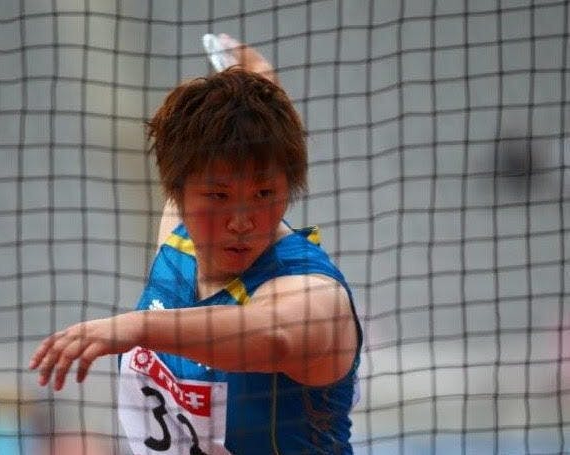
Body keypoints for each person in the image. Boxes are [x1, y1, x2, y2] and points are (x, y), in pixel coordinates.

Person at [30, 34, 362, 454]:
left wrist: (137, 327)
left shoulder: (314, 294)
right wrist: (261, 91)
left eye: (264, 194)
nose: (241, 222)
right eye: (219, 196)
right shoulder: (179, 244)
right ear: (179, 193)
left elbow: (274, 333)